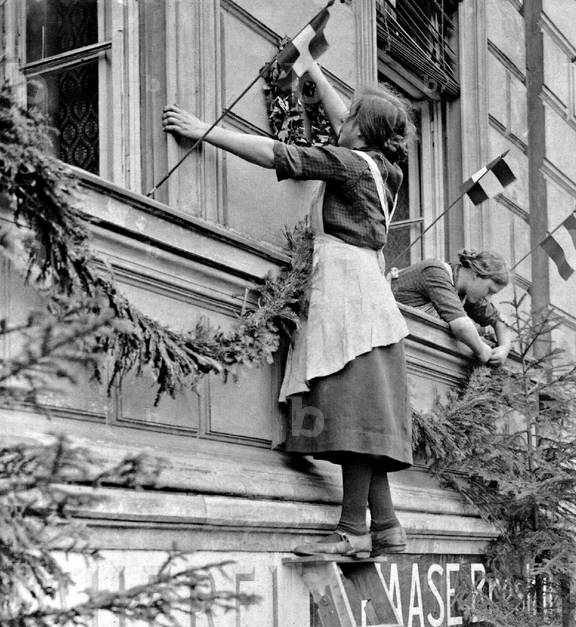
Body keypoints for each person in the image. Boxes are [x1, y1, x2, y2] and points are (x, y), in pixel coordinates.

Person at [162, 64, 414, 560]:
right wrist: (316, 72)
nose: (340, 121)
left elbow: (276, 154)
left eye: (349, 120)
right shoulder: (386, 168)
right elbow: (356, 118)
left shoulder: (347, 162)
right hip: (367, 295)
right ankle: (386, 526)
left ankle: (352, 532)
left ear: (360, 130)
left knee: (349, 411)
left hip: (347, 296)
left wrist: (203, 131)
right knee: (362, 413)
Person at [391, 250, 512, 365]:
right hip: (391, 345)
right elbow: (461, 326)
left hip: (413, 351)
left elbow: (500, 322)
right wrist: (482, 350)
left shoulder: (467, 293)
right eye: (489, 290)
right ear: (476, 273)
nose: (488, 298)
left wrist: (504, 348)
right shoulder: (434, 271)